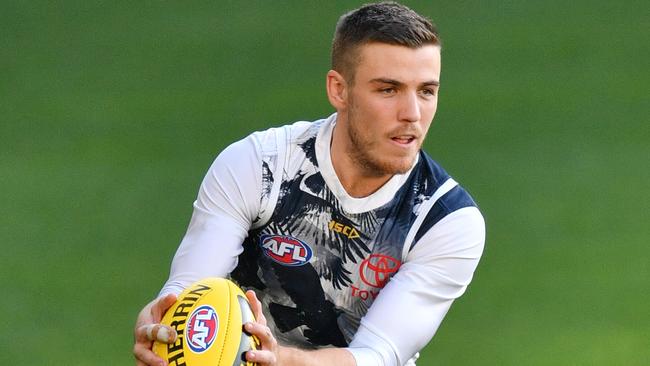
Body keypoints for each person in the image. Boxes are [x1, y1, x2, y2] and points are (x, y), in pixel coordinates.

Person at [133, 2, 485, 366]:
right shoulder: (260, 165)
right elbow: (192, 290)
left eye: (426, 91)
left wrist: (279, 359)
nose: (412, 113)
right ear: (339, 90)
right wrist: (162, 321)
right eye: (388, 90)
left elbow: (379, 355)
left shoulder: (444, 219)